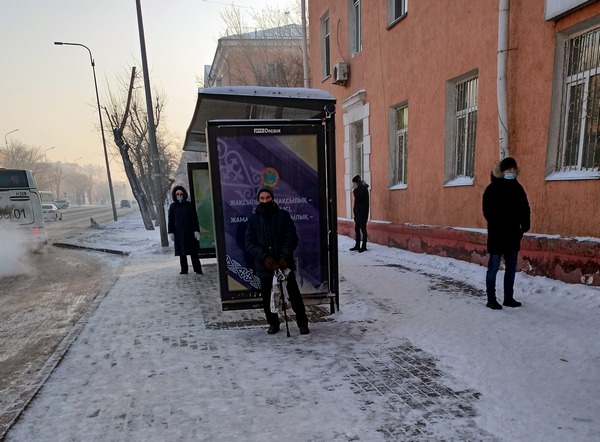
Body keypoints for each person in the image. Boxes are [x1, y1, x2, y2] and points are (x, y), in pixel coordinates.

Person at [245, 185, 310, 335]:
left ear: (272, 198)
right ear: (258, 200)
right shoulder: (253, 220)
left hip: (284, 263)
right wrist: (264, 257)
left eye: (268, 197)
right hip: (265, 266)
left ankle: (302, 323)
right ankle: (273, 323)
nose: (265, 200)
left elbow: (291, 237)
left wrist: (284, 256)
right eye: (262, 198)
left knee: (294, 294)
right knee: (268, 297)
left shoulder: (283, 215)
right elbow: (249, 243)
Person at [482, 157, 530, 310]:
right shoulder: (493, 188)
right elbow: (487, 211)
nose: (512, 172)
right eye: (509, 169)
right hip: (497, 234)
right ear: (502, 172)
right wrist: (498, 223)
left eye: (514, 169)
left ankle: (508, 298)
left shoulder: (518, 188)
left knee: (510, 267)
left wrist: (525, 224)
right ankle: (491, 299)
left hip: (513, 234)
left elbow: (525, 207)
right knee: (494, 267)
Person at [168, 185, 203, 275]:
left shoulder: (189, 205)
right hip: (178, 233)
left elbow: (195, 219)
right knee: (181, 252)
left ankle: (197, 269)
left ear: (184, 194)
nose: (179, 196)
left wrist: (196, 230)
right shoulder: (173, 206)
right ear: (175, 196)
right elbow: (170, 220)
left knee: (193, 252)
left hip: (189, 232)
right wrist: (170, 231)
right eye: (177, 194)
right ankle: (184, 269)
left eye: (181, 194)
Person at [350, 174, 370, 252]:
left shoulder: (363, 190)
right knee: (357, 229)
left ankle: (364, 246)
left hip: (362, 213)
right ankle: (357, 245)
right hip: (358, 213)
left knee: (363, 229)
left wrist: (355, 190)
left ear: (357, 183)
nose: (353, 185)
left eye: (354, 184)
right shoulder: (359, 189)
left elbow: (358, 198)